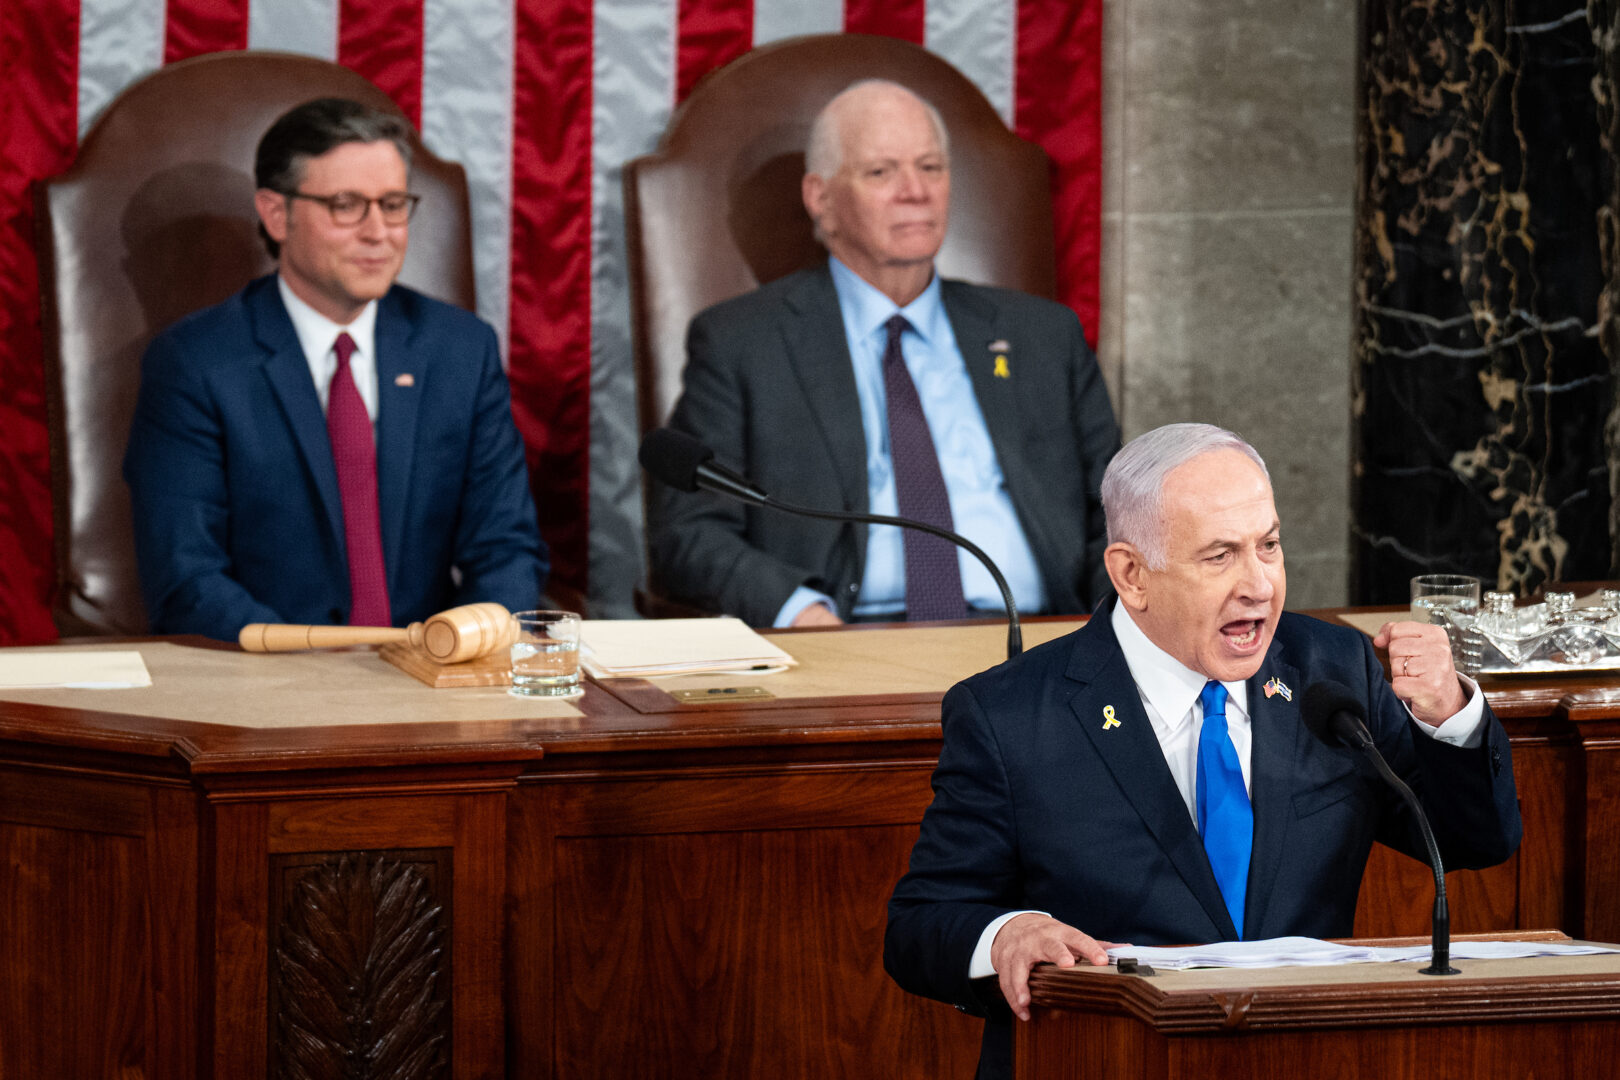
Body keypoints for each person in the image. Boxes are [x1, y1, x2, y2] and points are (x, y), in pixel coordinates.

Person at [883, 423, 1522, 1080]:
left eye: (1269, 546)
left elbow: (1473, 839)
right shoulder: (1011, 714)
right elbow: (920, 924)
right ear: (1132, 574)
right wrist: (1005, 937)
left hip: (1301, 1059)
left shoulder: (1332, 670)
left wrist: (1450, 716)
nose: (1260, 585)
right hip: (1103, 1061)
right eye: (1219, 556)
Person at [647, 79, 1120, 628]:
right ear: (819, 197)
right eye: (881, 171)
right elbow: (689, 530)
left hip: (1041, 641)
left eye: (931, 168)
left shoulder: (1042, 336)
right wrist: (800, 612)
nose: (915, 190)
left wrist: (1110, 630)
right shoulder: (743, 343)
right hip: (847, 641)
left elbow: (1122, 515)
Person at [124, 98, 547, 640]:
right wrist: (310, 674)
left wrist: (462, 649)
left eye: (393, 204)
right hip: (266, 688)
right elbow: (187, 579)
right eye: (346, 205)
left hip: (430, 681)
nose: (379, 232)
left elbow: (506, 548)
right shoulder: (197, 363)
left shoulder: (460, 349)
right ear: (278, 215)